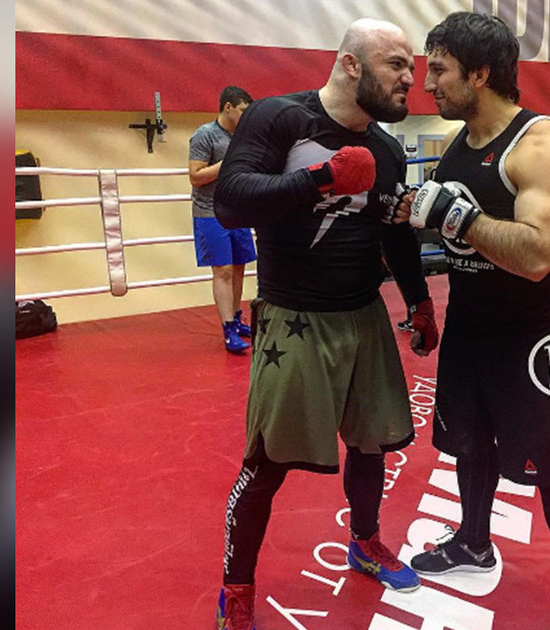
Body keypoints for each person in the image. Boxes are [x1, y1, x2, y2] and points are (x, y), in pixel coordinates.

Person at [210, 19, 439, 630]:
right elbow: (231, 199)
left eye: (412, 67)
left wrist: (419, 300)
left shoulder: (388, 150)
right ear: (351, 64)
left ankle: (364, 543)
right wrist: (322, 177)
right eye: (396, 65)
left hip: (363, 314)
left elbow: (394, 233)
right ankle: (236, 588)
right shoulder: (280, 118)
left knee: (372, 444)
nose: (409, 79)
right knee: (266, 463)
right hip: (293, 317)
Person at [404, 12, 550, 630]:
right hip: (469, 328)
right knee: (466, 445)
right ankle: (473, 541)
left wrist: (458, 219)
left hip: (526, 338)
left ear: (480, 74)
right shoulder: (459, 143)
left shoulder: (537, 145)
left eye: (439, 70)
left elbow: (538, 256)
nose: (427, 83)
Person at [189, 86, 258, 354]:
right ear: (228, 107)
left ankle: (236, 317)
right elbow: (195, 177)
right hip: (210, 211)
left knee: (239, 266)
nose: (246, 116)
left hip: (237, 210)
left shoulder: (243, 136)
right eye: (242, 111)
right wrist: (228, 162)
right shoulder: (205, 135)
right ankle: (227, 327)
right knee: (223, 270)